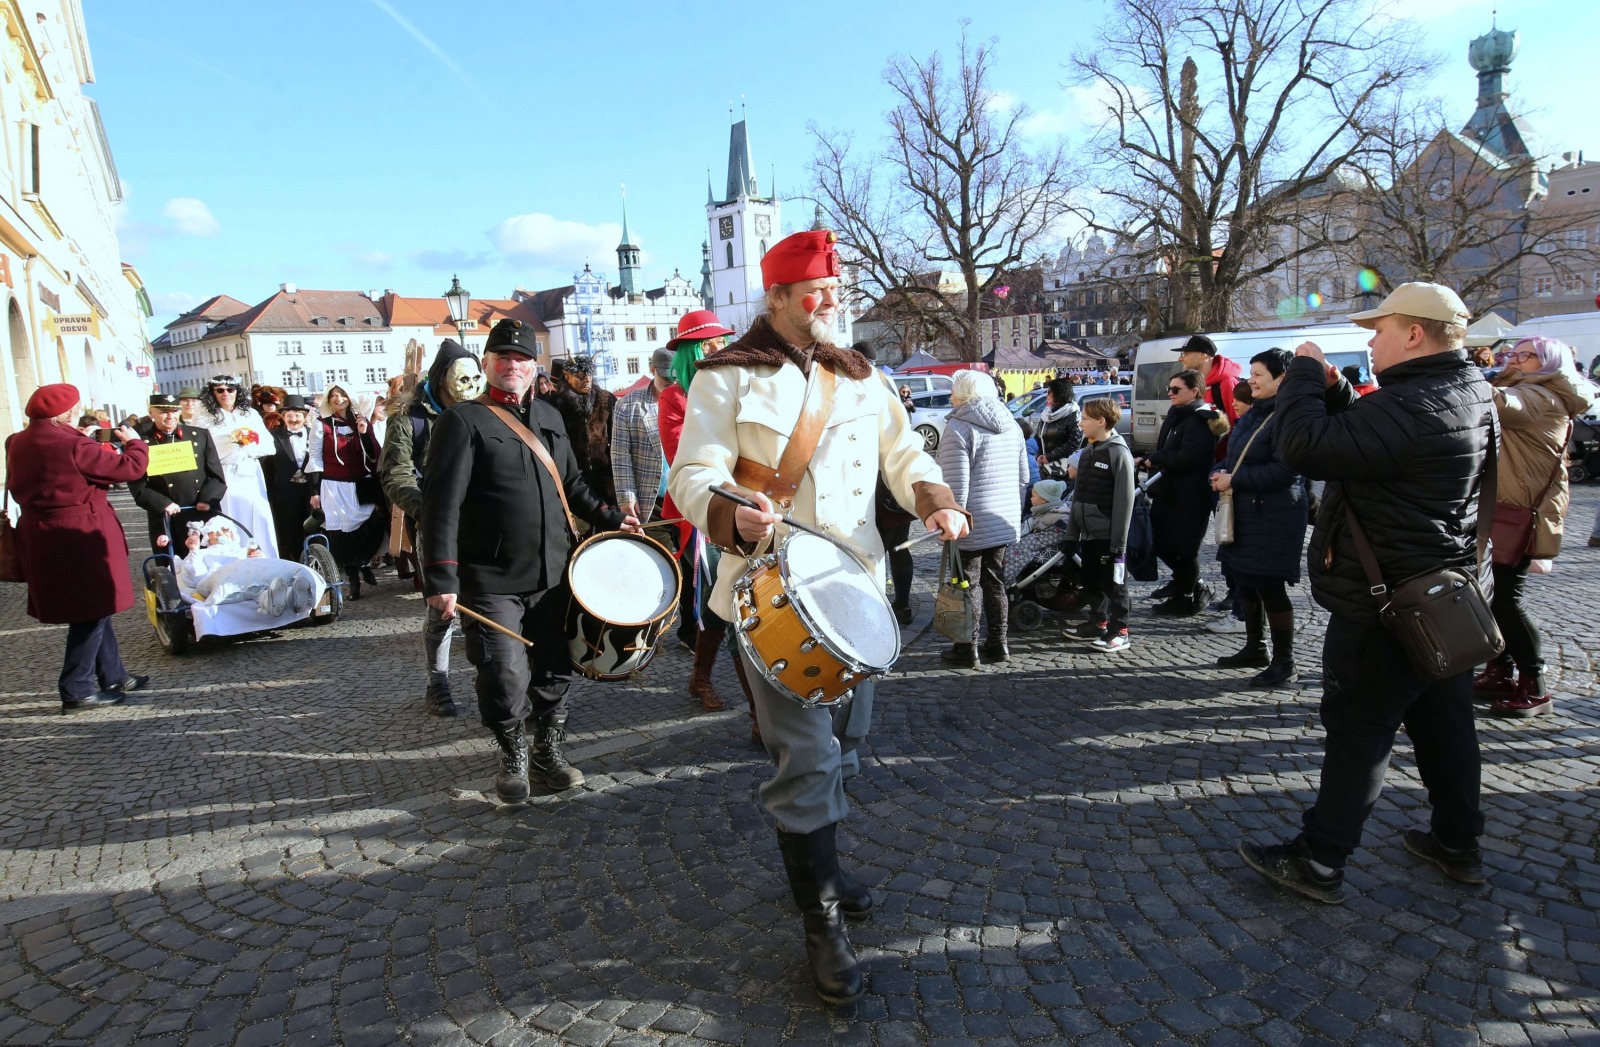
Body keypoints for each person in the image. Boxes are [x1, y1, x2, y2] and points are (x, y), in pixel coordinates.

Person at [668, 229, 968, 1006]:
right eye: (816, 289)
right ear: (777, 297)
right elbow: (690, 474)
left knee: (848, 742)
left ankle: (822, 866)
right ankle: (821, 918)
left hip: (858, 590)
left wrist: (935, 499)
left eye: (836, 287)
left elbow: (905, 457)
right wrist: (732, 511)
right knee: (804, 754)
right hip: (771, 593)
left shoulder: (862, 376)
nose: (830, 299)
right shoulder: (726, 376)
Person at [1239, 281, 1496, 903]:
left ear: (1414, 334)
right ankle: (1457, 841)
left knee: (1359, 729)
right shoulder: (1464, 389)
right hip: (1443, 594)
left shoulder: (1410, 404)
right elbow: (1386, 438)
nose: (1370, 341)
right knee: (1445, 724)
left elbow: (1305, 446)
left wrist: (1302, 373)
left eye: (1380, 330)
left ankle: (1321, 860)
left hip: (1388, 604)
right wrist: (1338, 391)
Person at [422, 318, 640, 804]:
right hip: (490, 576)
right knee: (503, 671)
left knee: (554, 667)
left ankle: (548, 752)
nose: (513, 366)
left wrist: (608, 517)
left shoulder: (549, 415)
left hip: (555, 572)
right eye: (503, 358)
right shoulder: (461, 422)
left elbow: (574, 485)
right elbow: (440, 506)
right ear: (487, 365)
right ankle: (512, 754)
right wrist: (441, 577)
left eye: (521, 359)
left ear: (532, 366)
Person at [5, 384, 152, 712]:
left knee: (94, 604)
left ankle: (113, 675)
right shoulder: (73, 445)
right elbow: (130, 468)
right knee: (91, 610)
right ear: (68, 413)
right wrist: (135, 443)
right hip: (80, 533)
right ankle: (77, 688)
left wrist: (80, 439)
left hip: (42, 533)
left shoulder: (17, 441)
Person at [1473, 336, 1593, 717]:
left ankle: (1534, 684)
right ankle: (1500, 670)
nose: (1517, 360)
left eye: (1529, 355)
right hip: (1504, 506)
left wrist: (1464, 376)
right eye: (1515, 353)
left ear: (1550, 362)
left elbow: (1505, 406)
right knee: (1493, 597)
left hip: (1522, 510)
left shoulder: (1543, 397)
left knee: (1507, 600)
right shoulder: (1522, 385)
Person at [382, 339, 484, 718]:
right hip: (437, 522)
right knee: (442, 607)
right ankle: (437, 683)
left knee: (487, 600)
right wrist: (428, 509)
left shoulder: (484, 410)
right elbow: (396, 472)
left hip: (482, 519)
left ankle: (491, 674)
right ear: (442, 380)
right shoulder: (410, 418)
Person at [659, 309, 744, 715]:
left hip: (747, 507)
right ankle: (758, 713)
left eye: (720, 341)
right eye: (707, 343)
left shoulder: (735, 387)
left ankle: (700, 676)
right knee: (720, 596)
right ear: (691, 351)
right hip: (702, 513)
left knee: (728, 599)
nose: (717, 348)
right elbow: (686, 460)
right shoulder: (674, 397)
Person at [1209, 348, 1308, 688]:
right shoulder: (1254, 412)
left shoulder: (1288, 416)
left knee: (1269, 585)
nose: (1250, 381)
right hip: (1248, 511)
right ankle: (1255, 647)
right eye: (1250, 373)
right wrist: (1220, 471)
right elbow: (1236, 457)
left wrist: (1234, 480)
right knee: (1246, 579)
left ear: (1282, 379)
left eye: (1258, 375)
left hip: (1274, 514)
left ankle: (1286, 661)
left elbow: (1286, 471)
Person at [937, 369, 1029, 666]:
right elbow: (1023, 478)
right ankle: (999, 643)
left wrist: (951, 521)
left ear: (961, 394)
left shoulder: (959, 427)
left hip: (971, 522)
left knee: (968, 584)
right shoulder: (1011, 424)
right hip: (1003, 520)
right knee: (995, 582)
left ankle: (967, 648)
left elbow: (955, 485)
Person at [1141, 368, 1224, 616]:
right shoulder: (1179, 413)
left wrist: (1155, 458)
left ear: (1194, 391)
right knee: (1158, 541)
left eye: (1176, 389)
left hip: (1189, 496)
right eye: (1169, 388)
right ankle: (1187, 584)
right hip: (1169, 491)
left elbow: (1188, 457)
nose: (1170, 393)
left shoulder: (1200, 419)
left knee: (1182, 549)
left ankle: (1189, 594)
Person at [1063, 397, 1136, 652]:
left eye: (1084, 418)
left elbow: (1125, 502)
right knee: (1092, 583)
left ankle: (1121, 632)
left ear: (1100, 421)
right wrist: (1071, 535)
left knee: (1115, 586)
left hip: (1109, 537)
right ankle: (1099, 622)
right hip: (1088, 535)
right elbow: (1077, 498)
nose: (1080, 423)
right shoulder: (1086, 452)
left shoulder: (1118, 453)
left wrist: (1119, 542)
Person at [128, 392, 227, 554]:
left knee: (211, 559)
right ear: (151, 413)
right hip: (166, 515)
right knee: (171, 565)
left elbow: (216, 475)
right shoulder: (141, 442)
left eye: (174, 411)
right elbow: (137, 484)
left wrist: (208, 499)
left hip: (201, 511)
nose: (169, 417)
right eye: (163, 412)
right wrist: (162, 504)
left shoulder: (199, 435)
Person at [192, 374, 279, 558]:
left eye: (230, 390)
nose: (226, 394)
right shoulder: (204, 417)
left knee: (260, 515)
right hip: (224, 471)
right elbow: (201, 450)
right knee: (232, 515)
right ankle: (235, 560)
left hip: (250, 471)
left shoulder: (250, 414)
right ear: (212, 393)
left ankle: (266, 557)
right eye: (220, 390)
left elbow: (269, 446)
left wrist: (247, 445)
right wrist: (231, 446)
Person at [319, 385, 385, 599]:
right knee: (342, 534)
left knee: (372, 524)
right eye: (334, 396)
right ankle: (353, 579)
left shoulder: (361, 421)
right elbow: (314, 456)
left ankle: (364, 562)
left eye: (342, 394)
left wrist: (364, 433)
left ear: (349, 397)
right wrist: (314, 489)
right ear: (329, 401)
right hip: (335, 484)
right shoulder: (322, 425)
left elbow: (374, 453)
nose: (339, 399)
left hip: (361, 480)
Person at [545, 353, 618, 509]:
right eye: (580, 376)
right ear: (567, 376)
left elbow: (617, 436)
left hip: (604, 471)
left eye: (590, 375)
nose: (587, 380)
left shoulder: (605, 399)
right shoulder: (556, 403)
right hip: (573, 474)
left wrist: (615, 470)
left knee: (609, 516)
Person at [611, 348, 673, 525]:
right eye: (666, 378)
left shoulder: (690, 399)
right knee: (658, 552)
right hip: (650, 502)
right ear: (653, 370)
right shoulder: (627, 405)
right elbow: (620, 457)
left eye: (675, 378)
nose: (671, 383)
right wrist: (626, 497)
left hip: (686, 499)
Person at [265, 395, 324, 566]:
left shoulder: (314, 433)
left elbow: (318, 462)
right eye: (289, 415)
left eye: (297, 415)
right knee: (290, 529)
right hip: (285, 492)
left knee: (314, 526)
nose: (293, 419)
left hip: (311, 491)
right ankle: (296, 562)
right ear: (283, 417)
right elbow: (268, 467)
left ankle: (317, 561)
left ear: (305, 416)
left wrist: (316, 491)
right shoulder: (274, 435)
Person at [1176, 334, 1243, 453]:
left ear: (1203, 355)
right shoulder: (1193, 385)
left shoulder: (1227, 383)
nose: (1180, 359)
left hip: (1220, 463)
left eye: (1185, 353)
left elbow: (1237, 425)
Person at [1033, 377, 1083, 483]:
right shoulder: (1047, 413)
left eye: (1049, 392)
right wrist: (1040, 456)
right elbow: (1039, 436)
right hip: (1046, 466)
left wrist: (1050, 457)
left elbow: (1074, 442)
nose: (1047, 395)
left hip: (1064, 468)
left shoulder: (1073, 413)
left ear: (1059, 393)